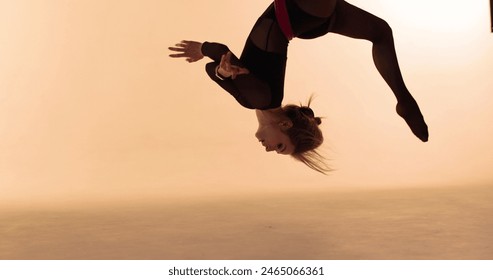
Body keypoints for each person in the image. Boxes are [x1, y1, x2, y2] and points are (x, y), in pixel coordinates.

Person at [169, 0, 429, 174]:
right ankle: (403, 101)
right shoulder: (259, 99)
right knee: (380, 33)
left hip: (307, 19)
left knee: (381, 33)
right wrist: (206, 52)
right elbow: (219, 52)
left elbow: (216, 62)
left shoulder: (255, 99)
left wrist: (220, 69)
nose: (270, 149)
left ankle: (403, 98)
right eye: (280, 146)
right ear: (285, 126)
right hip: (298, 11)